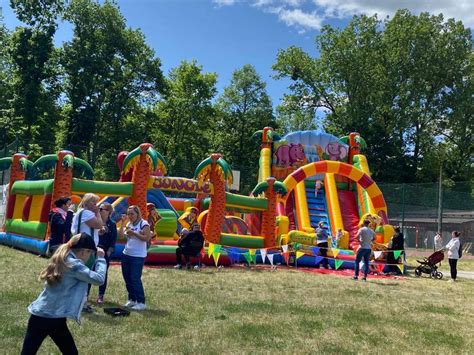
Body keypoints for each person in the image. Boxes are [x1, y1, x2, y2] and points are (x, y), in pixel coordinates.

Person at [21, 233, 106, 355]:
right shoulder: (74, 265)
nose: (90, 256)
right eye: (90, 253)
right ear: (83, 252)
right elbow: (99, 279)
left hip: (40, 315)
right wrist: (101, 258)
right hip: (53, 317)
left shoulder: (64, 258)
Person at [119, 205, 151, 310]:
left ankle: (141, 302)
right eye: (128, 214)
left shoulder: (144, 224)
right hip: (126, 254)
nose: (130, 216)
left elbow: (146, 238)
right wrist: (123, 223)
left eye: (132, 213)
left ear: (138, 213)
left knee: (135, 278)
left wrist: (134, 233)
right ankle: (132, 299)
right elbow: (122, 236)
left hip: (138, 256)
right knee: (127, 278)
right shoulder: (129, 223)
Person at [96, 202, 117, 304]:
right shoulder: (95, 221)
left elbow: (113, 240)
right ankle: (85, 294)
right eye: (99, 209)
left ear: (108, 212)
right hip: (94, 250)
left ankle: (101, 295)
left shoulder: (112, 224)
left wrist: (109, 251)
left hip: (105, 251)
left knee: (103, 273)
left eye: (101, 209)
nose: (99, 210)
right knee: (89, 271)